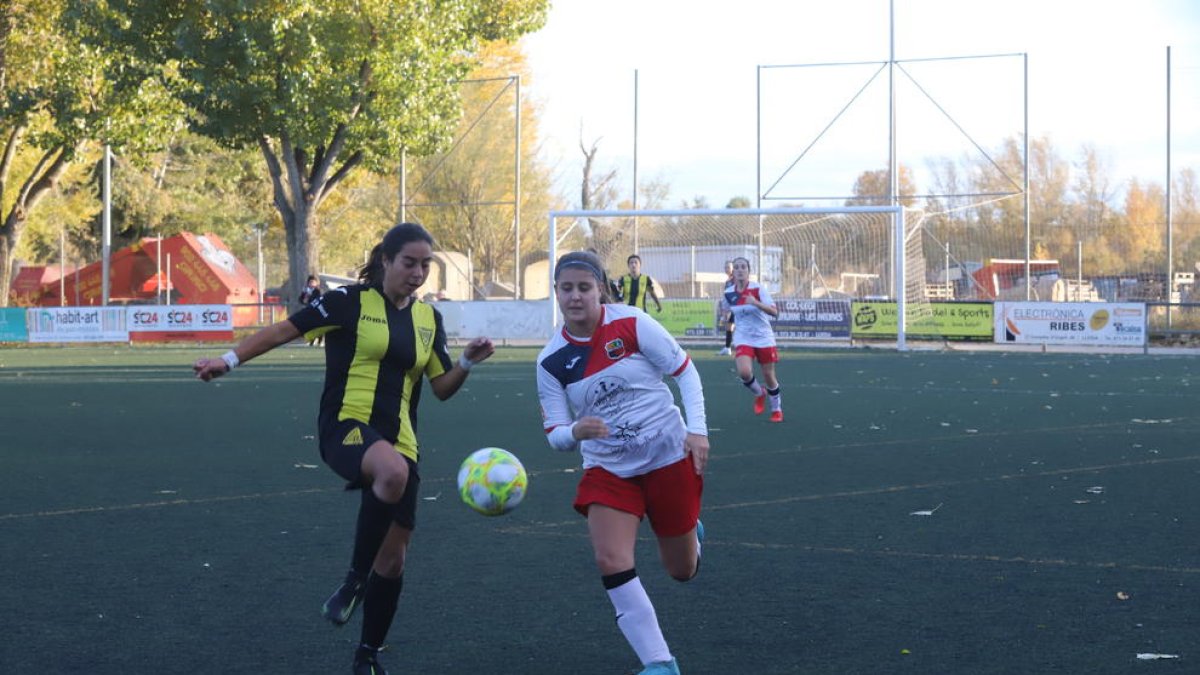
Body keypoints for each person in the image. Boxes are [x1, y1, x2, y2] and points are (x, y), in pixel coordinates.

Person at [194, 223, 495, 675]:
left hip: (403, 441)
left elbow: (441, 388)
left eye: (425, 265)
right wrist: (228, 361)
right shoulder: (347, 302)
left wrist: (468, 362)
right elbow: (283, 331)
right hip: (346, 426)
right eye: (409, 263)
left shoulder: (428, 320)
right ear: (387, 261)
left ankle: (366, 655)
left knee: (393, 561)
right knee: (389, 474)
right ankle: (353, 582)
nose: (417, 273)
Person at [536, 250, 708, 675]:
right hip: (608, 468)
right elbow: (556, 435)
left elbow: (685, 371)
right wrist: (575, 432)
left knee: (681, 571)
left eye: (584, 287)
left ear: (601, 290)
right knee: (611, 559)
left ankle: (692, 532)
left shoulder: (631, 322)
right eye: (566, 288)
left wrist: (698, 431)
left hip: (667, 454)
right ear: (556, 292)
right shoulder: (550, 361)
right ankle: (660, 663)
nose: (575, 297)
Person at [721, 256, 783, 422]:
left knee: (768, 375)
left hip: (763, 337)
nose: (740, 270)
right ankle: (759, 392)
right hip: (743, 336)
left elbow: (774, 312)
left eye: (743, 267)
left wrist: (755, 303)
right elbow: (726, 309)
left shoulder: (758, 289)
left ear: (749, 272)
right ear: (733, 272)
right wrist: (725, 317)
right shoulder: (728, 293)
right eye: (737, 267)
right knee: (744, 372)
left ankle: (776, 409)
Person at [298, 275, 324, 346]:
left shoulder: (318, 291)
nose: (311, 284)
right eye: (310, 282)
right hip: (309, 311)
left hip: (317, 311)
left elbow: (317, 300)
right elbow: (301, 300)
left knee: (318, 327)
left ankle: (319, 341)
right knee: (309, 327)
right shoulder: (306, 290)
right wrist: (304, 298)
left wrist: (309, 297)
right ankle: (311, 341)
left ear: (316, 283)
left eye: (313, 282)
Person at [717, 259, 734, 356]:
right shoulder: (727, 282)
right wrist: (725, 309)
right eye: (725, 267)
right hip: (730, 308)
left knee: (733, 327)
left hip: (736, 308)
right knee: (729, 326)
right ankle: (727, 348)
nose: (726, 269)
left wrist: (731, 309)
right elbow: (726, 296)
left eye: (728, 267)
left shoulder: (735, 280)